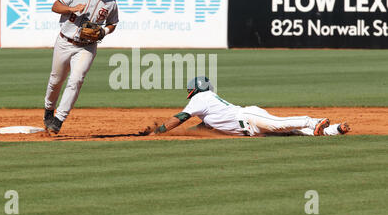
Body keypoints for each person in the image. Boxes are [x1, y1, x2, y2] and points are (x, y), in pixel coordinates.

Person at [43, 0, 119, 134]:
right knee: (56, 80)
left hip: (87, 47)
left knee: (76, 79)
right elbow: (55, 7)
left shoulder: (110, 3)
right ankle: (49, 110)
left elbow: (113, 23)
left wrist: (104, 31)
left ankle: (59, 119)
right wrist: (71, 9)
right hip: (64, 41)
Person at [147, 76, 350, 137]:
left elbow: (181, 117)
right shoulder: (208, 102)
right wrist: (186, 133)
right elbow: (205, 126)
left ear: (193, 89)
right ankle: (334, 130)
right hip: (251, 128)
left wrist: (160, 131)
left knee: (280, 125)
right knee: (292, 133)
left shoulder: (200, 99)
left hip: (248, 117)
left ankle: (313, 121)